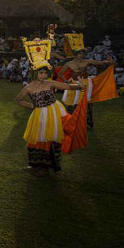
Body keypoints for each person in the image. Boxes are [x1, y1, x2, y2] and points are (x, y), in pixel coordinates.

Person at [15, 38, 85, 177]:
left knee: (50, 138)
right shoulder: (28, 87)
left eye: (45, 73)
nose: (43, 75)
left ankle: (47, 166)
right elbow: (18, 100)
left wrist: (79, 87)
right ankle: (36, 165)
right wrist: (32, 106)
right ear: (34, 73)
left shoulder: (49, 83)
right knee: (37, 139)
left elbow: (67, 86)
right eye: (41, 73)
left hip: (53, 112)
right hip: (39, 114)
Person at [58, 33, 114, 128]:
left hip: (85, 83)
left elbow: (99, 63)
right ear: (76, 54)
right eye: (80, 53)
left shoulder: (87, 61)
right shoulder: (69, 64)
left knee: (87, 103)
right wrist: (65, 81)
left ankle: (88, 122)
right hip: (74, 83)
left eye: (84, 53)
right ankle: (71, 120)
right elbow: (60, 74)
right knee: (72, 103)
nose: (82, 55)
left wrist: (108, 61)